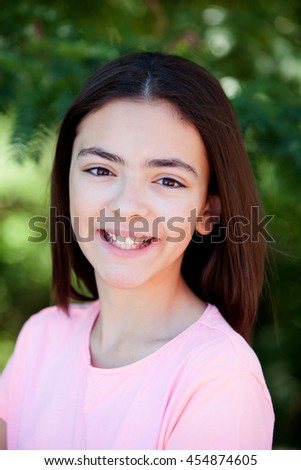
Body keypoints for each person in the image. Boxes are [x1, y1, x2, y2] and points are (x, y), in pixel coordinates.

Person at [0, 52, 274, 450]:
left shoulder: (219, 378)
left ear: (207, 212)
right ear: (67, 183)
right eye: (100, 170)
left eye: (167, 180)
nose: (127, 207)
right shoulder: (43, 336)